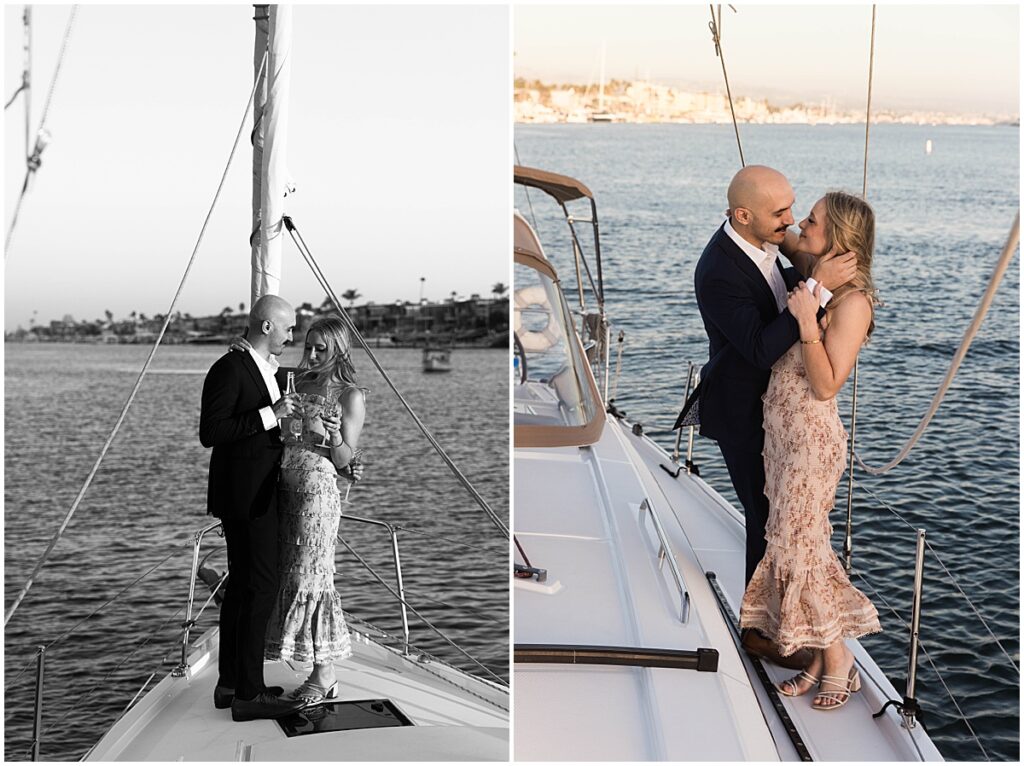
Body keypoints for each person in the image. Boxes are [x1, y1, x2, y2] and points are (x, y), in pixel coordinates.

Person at [674, 165, 856, 670]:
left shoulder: (771, 241)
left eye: (794, 208)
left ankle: (787, 617)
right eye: (781, 213)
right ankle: (760, 631)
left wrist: (820, 278)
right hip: (742, 410)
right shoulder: (717, 272)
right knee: (765, 515)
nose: (792, 220)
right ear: (742, 215)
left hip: (784, 409)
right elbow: (757, 348)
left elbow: (794, 284)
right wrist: (818, 285)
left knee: (782, 517)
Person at [739, 191, 882, 711]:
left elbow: (825, 386)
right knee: (794, 543)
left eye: (813, 220)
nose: (801, 223)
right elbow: (782, 235)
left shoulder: (852, 303)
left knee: (801, 550)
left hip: (808, 443)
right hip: (781, 436)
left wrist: (805, 321)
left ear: (839, 238)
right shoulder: (814, 267)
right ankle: (823, 658)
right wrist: (753, 213)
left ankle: (838, 658)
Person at [199, 294, 306, 722]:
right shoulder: (228, 368)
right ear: (266, 327)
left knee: (243, 588)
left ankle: (230, 685)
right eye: (288, 328)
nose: (291, 335)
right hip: (245, 497)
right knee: (260, 587)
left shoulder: (264, 368)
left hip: (254, 492)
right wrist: (271, 413)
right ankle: (250, 693)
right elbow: (212, 431)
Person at [263, 315, 366, 704]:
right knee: (284, 572)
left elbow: (345, 460)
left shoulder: (350, 396)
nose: (311, 355)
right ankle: (291, 657)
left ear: (339, 349)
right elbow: (261, 363)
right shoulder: (294, 381)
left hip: (316, 495)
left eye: (321, 349)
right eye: (308, 346)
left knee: (313, 577)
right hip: (282, 488)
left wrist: (337, 434)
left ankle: (324, 674)